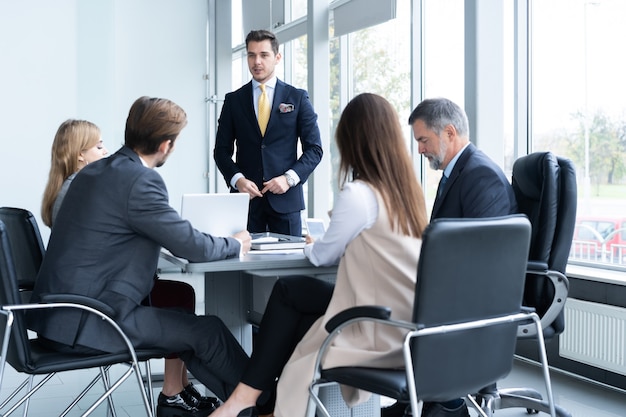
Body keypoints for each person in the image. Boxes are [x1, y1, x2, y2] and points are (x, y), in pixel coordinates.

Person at [28, 96, 252, 417]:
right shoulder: (140, 180)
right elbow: (191, 247)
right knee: (209, 331)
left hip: (59, 317)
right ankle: (272, 405)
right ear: (165, 145)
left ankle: (244, 409)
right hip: (95, 320)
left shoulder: (93, 173)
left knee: (192, 331)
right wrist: (235, 244)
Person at [210, 92, 429, 417]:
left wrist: (314, 243)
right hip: (409, 323)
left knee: (288, 293)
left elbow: (322, 256)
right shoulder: (409, 193)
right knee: (298, 312)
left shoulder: (360, 194)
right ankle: (254, 401)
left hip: (376, 324)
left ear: (353, 141)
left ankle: (248, 399)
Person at [399, 97, 517, 417]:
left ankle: (443, 401)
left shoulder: (480, 176)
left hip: (474, 298)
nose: (420, 150)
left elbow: (485, 255)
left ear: (449, 133)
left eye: (423, 140)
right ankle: (413, 399)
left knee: (394, 304)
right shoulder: (458, 172)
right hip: (453, 286)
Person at [214, 29, 323, 236]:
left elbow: (314, 150)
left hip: (286, 200)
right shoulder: (233, 101)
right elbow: (220, 151)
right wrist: (238, 180)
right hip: (246, 203)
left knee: (288, 266)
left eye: (264, 55)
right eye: (251, 55)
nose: (257, 62)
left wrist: (288, 179)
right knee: (242, 265)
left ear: (277, 57)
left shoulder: (297, 98)